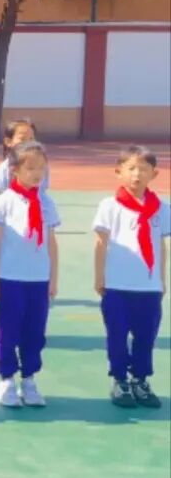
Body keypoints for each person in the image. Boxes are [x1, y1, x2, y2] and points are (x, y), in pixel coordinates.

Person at [93, 145, 169, 408]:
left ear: (154, 174)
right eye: (131, 168)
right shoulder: (110, 206)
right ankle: (119, 380)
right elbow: (101, 243)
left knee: (146, 336)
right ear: (119, 172)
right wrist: (99, 276)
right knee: (117, 334)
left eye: (144, 169)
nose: (137, 174)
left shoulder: (162, 208)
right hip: (117, 284)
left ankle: (140, 379)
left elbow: (160, 245)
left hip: (148, 287)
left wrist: (161, 279)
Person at [0, 141, 60, 408]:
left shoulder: (47, 202)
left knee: (35, 331)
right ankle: (6, 379)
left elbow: (51, 243)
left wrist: (53, 278)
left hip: (38, 279)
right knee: (9, 330)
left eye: (41, 168)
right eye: (30, 168)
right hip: (11, 277)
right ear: (14, 170)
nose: (37, 173)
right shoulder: (3, 202)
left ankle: (29, 379)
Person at [0, 118, 50, 195]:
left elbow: (42, 190)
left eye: (31, 139)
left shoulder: (43, 166)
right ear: (8, 142)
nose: (28, 143)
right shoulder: (3, 168)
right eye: (22, 139)